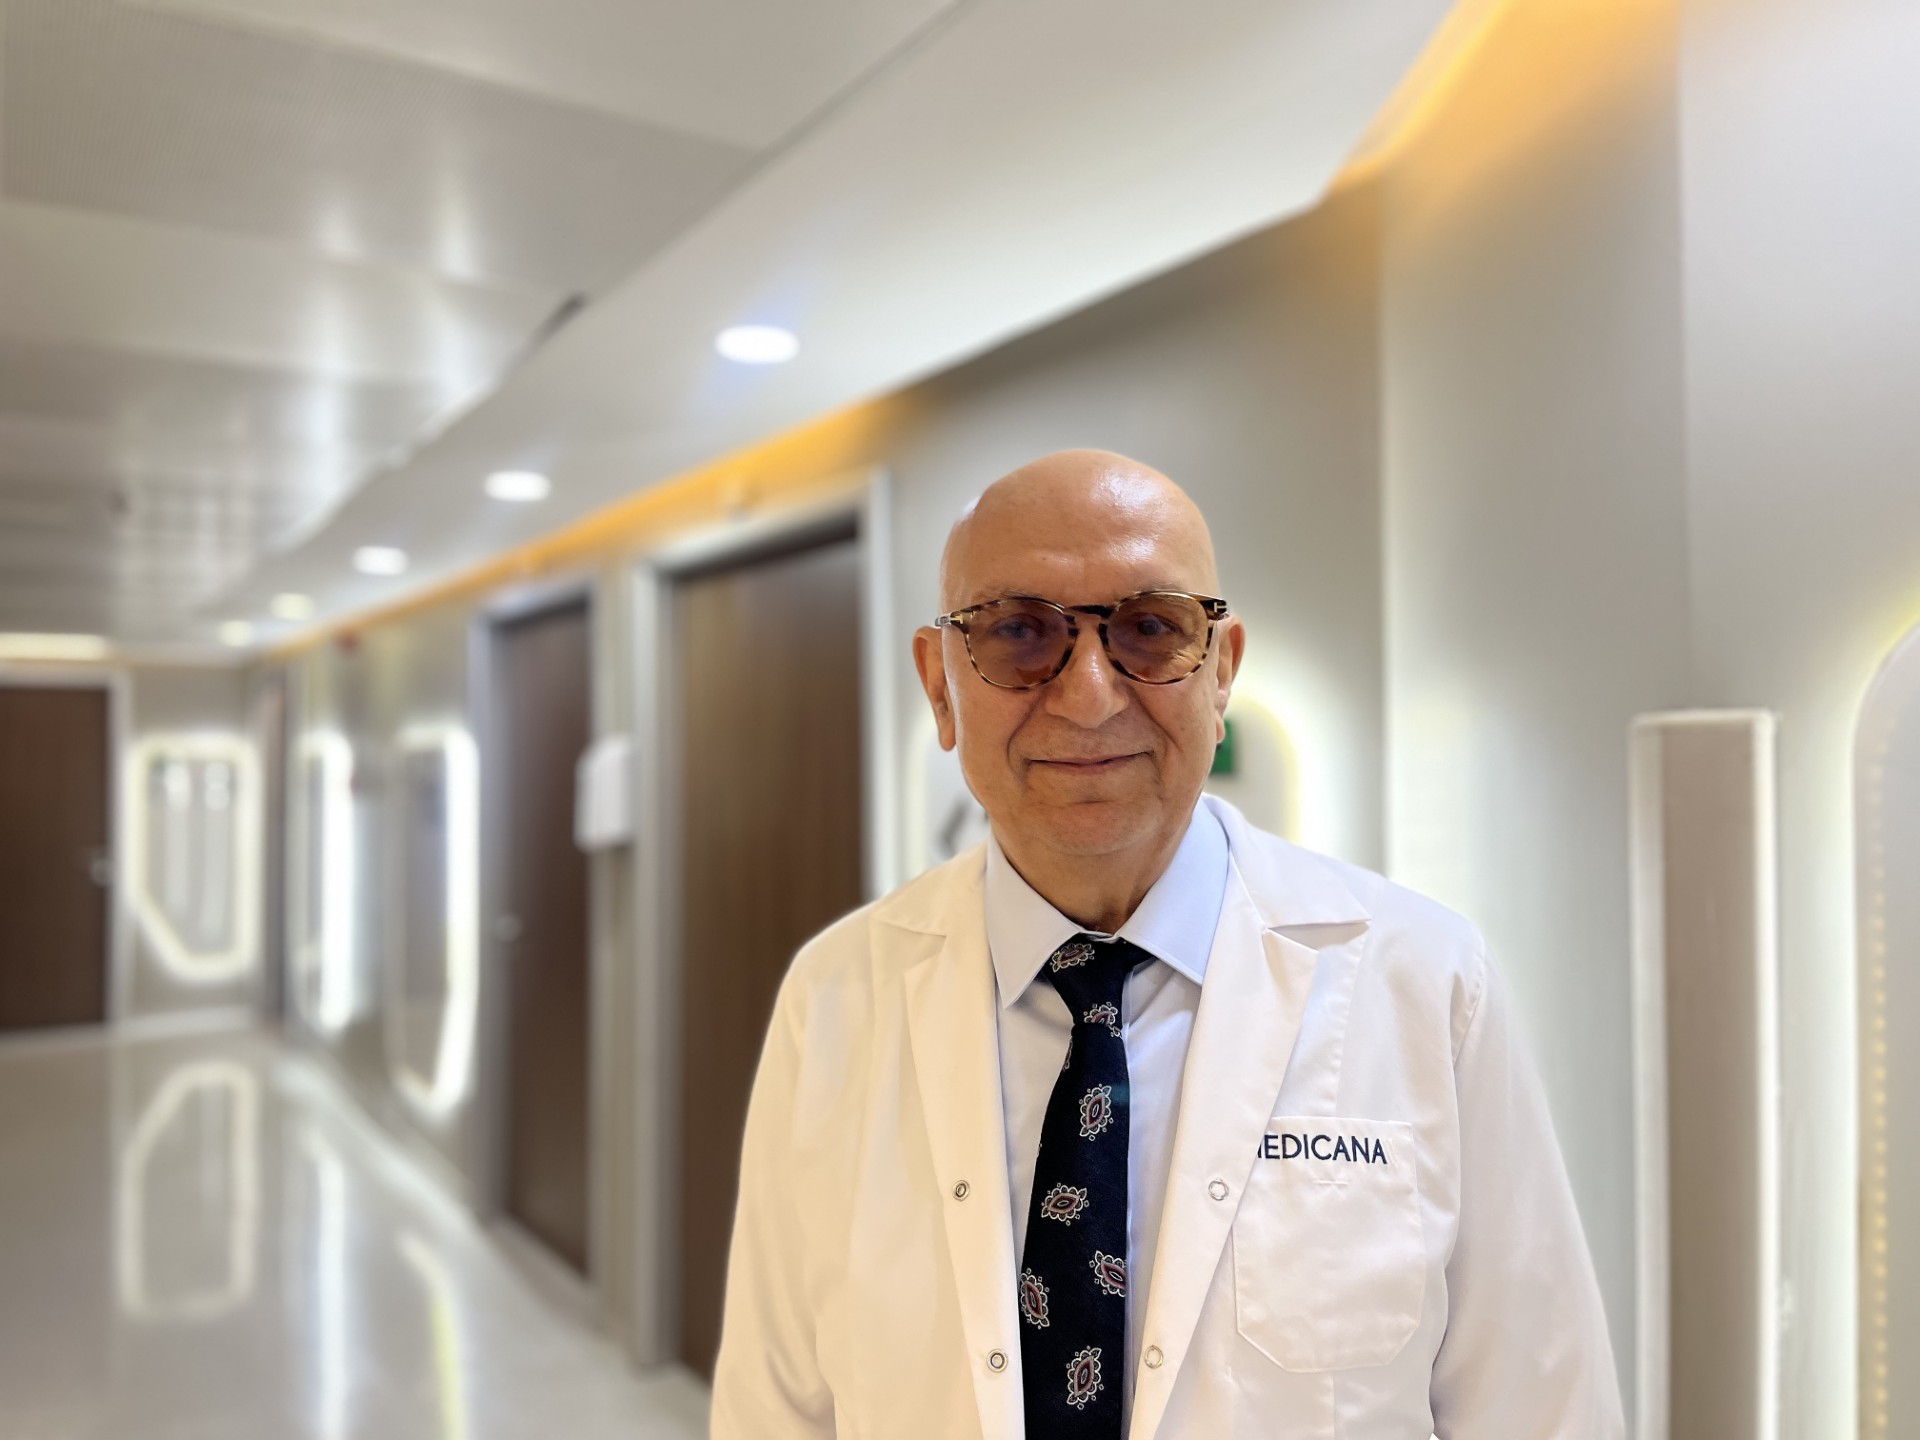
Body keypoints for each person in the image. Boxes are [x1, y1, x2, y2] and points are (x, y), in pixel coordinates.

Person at [711, 450, 1623, 1438]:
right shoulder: (838, 998)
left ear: (1221, 670)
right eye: (1019, 632)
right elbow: (774, 1408)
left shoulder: (1425, 982)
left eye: (1150, 628)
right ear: (941, 686)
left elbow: (1544, 1407)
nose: (1090, 694)